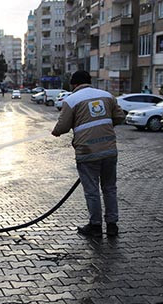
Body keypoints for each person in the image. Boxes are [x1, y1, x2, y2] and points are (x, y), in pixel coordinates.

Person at [51, 70, 125, 237]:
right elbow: (119, 117)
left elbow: (62, 127)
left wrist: (55, 132)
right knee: (110, 188)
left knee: (92, 190)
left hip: (87, 152)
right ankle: (112, 226)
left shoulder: (71, 100)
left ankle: (96, 226)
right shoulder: (107, 96)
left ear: (74, 84)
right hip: (109, 150)